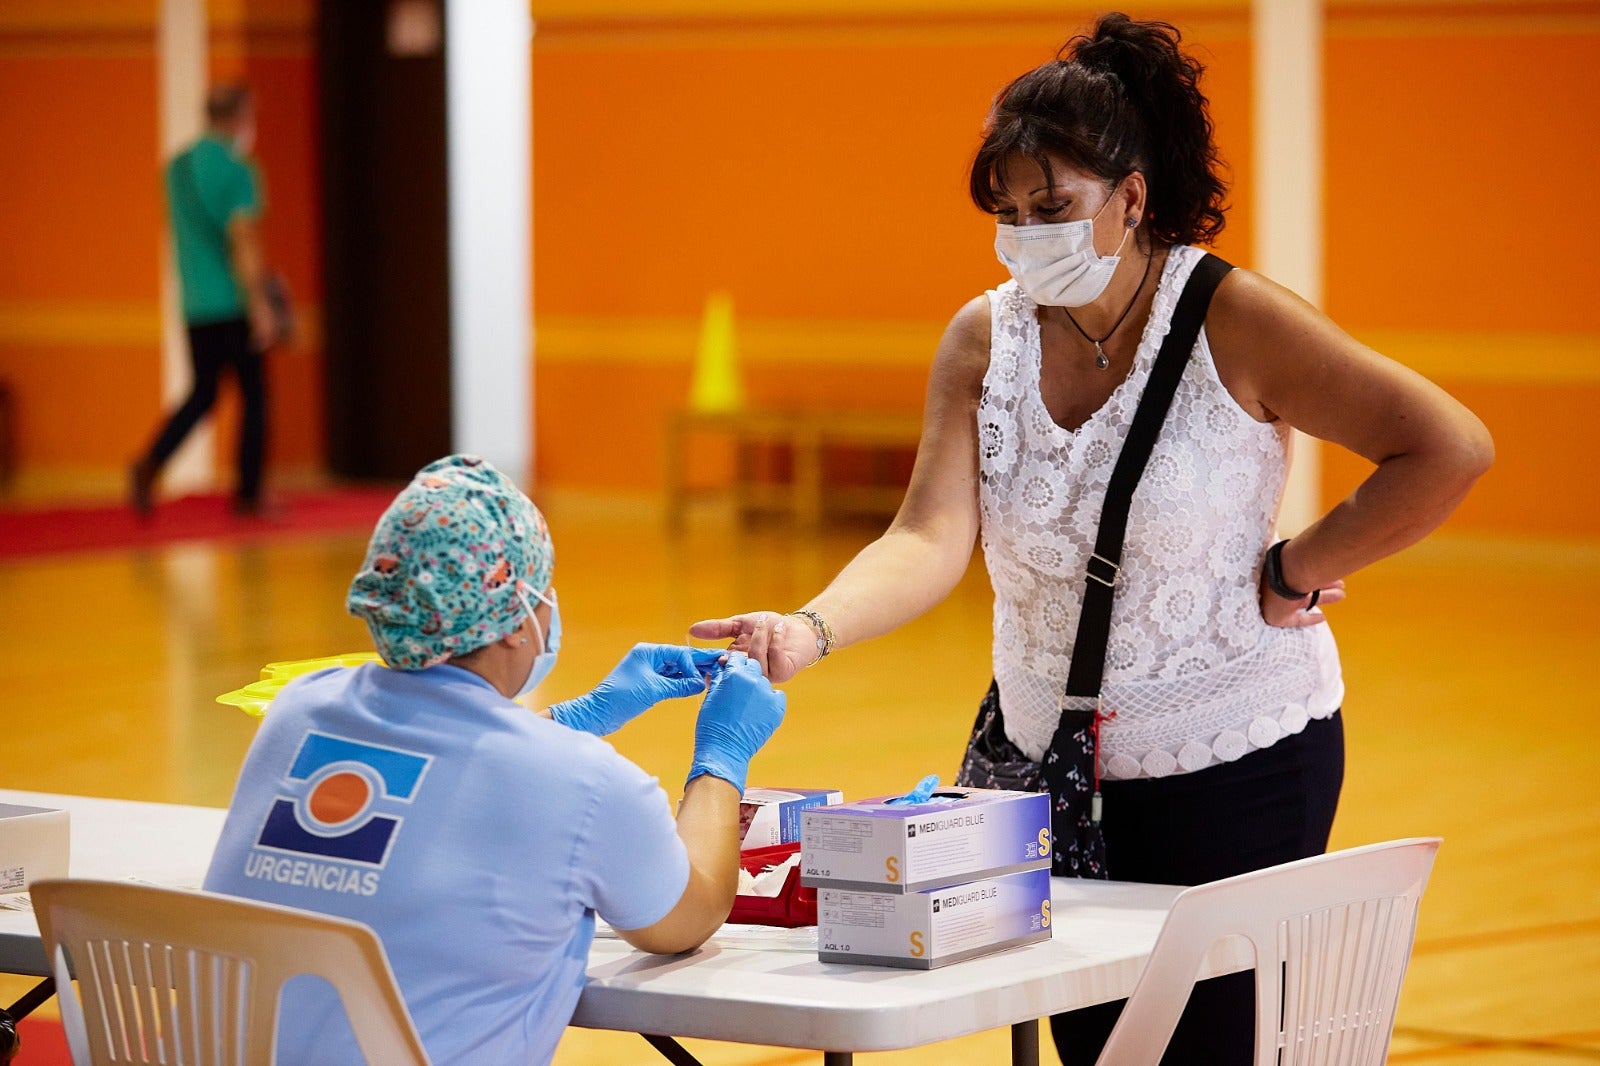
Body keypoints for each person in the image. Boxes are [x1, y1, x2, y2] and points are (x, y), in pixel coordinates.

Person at [690, 13, 1491, 1064]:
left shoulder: (1232, 319)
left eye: (1052, 207)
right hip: (1047, 769)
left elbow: (1446, 446)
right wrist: (809, 628)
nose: (1027, 236)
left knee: (1204, 1047)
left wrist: (1300, 564)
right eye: (1009, 214)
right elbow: (928, 534)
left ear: (1131, 197)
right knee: (1098, 1047)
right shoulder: (983, 337)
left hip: (1235, 759)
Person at [205, 454, 786, 1065]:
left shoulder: (298, 711)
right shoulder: (587, 784)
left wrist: (580, 716)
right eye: (545, 592)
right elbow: (686, 918)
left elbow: (444, 772)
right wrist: (723, 755)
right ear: (514, 623)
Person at [131, 82, 279, 518]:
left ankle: (150, 461)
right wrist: (260, 303)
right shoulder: (238, 169)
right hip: (232, 300)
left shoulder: (175, 168)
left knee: (203, 392)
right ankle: (249, 495)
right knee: (255, 396)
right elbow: (243, 236)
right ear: (239, 117)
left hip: (195, 301)